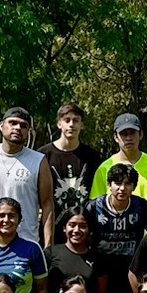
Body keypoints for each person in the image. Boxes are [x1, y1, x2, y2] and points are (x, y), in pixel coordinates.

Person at [0, 107, 53, 247]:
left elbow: (47, 205)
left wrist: (48, 246)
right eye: (12, 123)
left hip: (27, 242)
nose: (18, 128)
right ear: (1, 126)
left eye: (24, 126)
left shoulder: (39, 161)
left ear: (28, 132)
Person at [88, 162, 147, 293]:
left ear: (134, 186)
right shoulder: (94, 207)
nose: (122, 188)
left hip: (129, 271)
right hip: (101, 271)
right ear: (109, 185)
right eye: (117, 183)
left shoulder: (141, 206)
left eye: (127, 184)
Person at [39, 102, 103, 241]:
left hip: (83, 233)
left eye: (76, 121)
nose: (71, 125)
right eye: (67, 120)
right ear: (59, 123)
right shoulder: (43, 155)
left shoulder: (92, 156)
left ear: (82, 125)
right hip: (51, 231)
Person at [90, 113, 147, 209]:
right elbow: (97, 206)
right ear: (116, 137)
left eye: (132, 133)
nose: (128, 138)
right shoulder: (104, 168)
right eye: (124, 133)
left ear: (140, 135)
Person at [44, 209, 101, 293]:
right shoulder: (50, 254)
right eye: (72, 225)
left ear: (90, 229)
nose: (76, 230)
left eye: (83, 226)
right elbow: (41, 289)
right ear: (65, 228)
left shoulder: (98, 258)